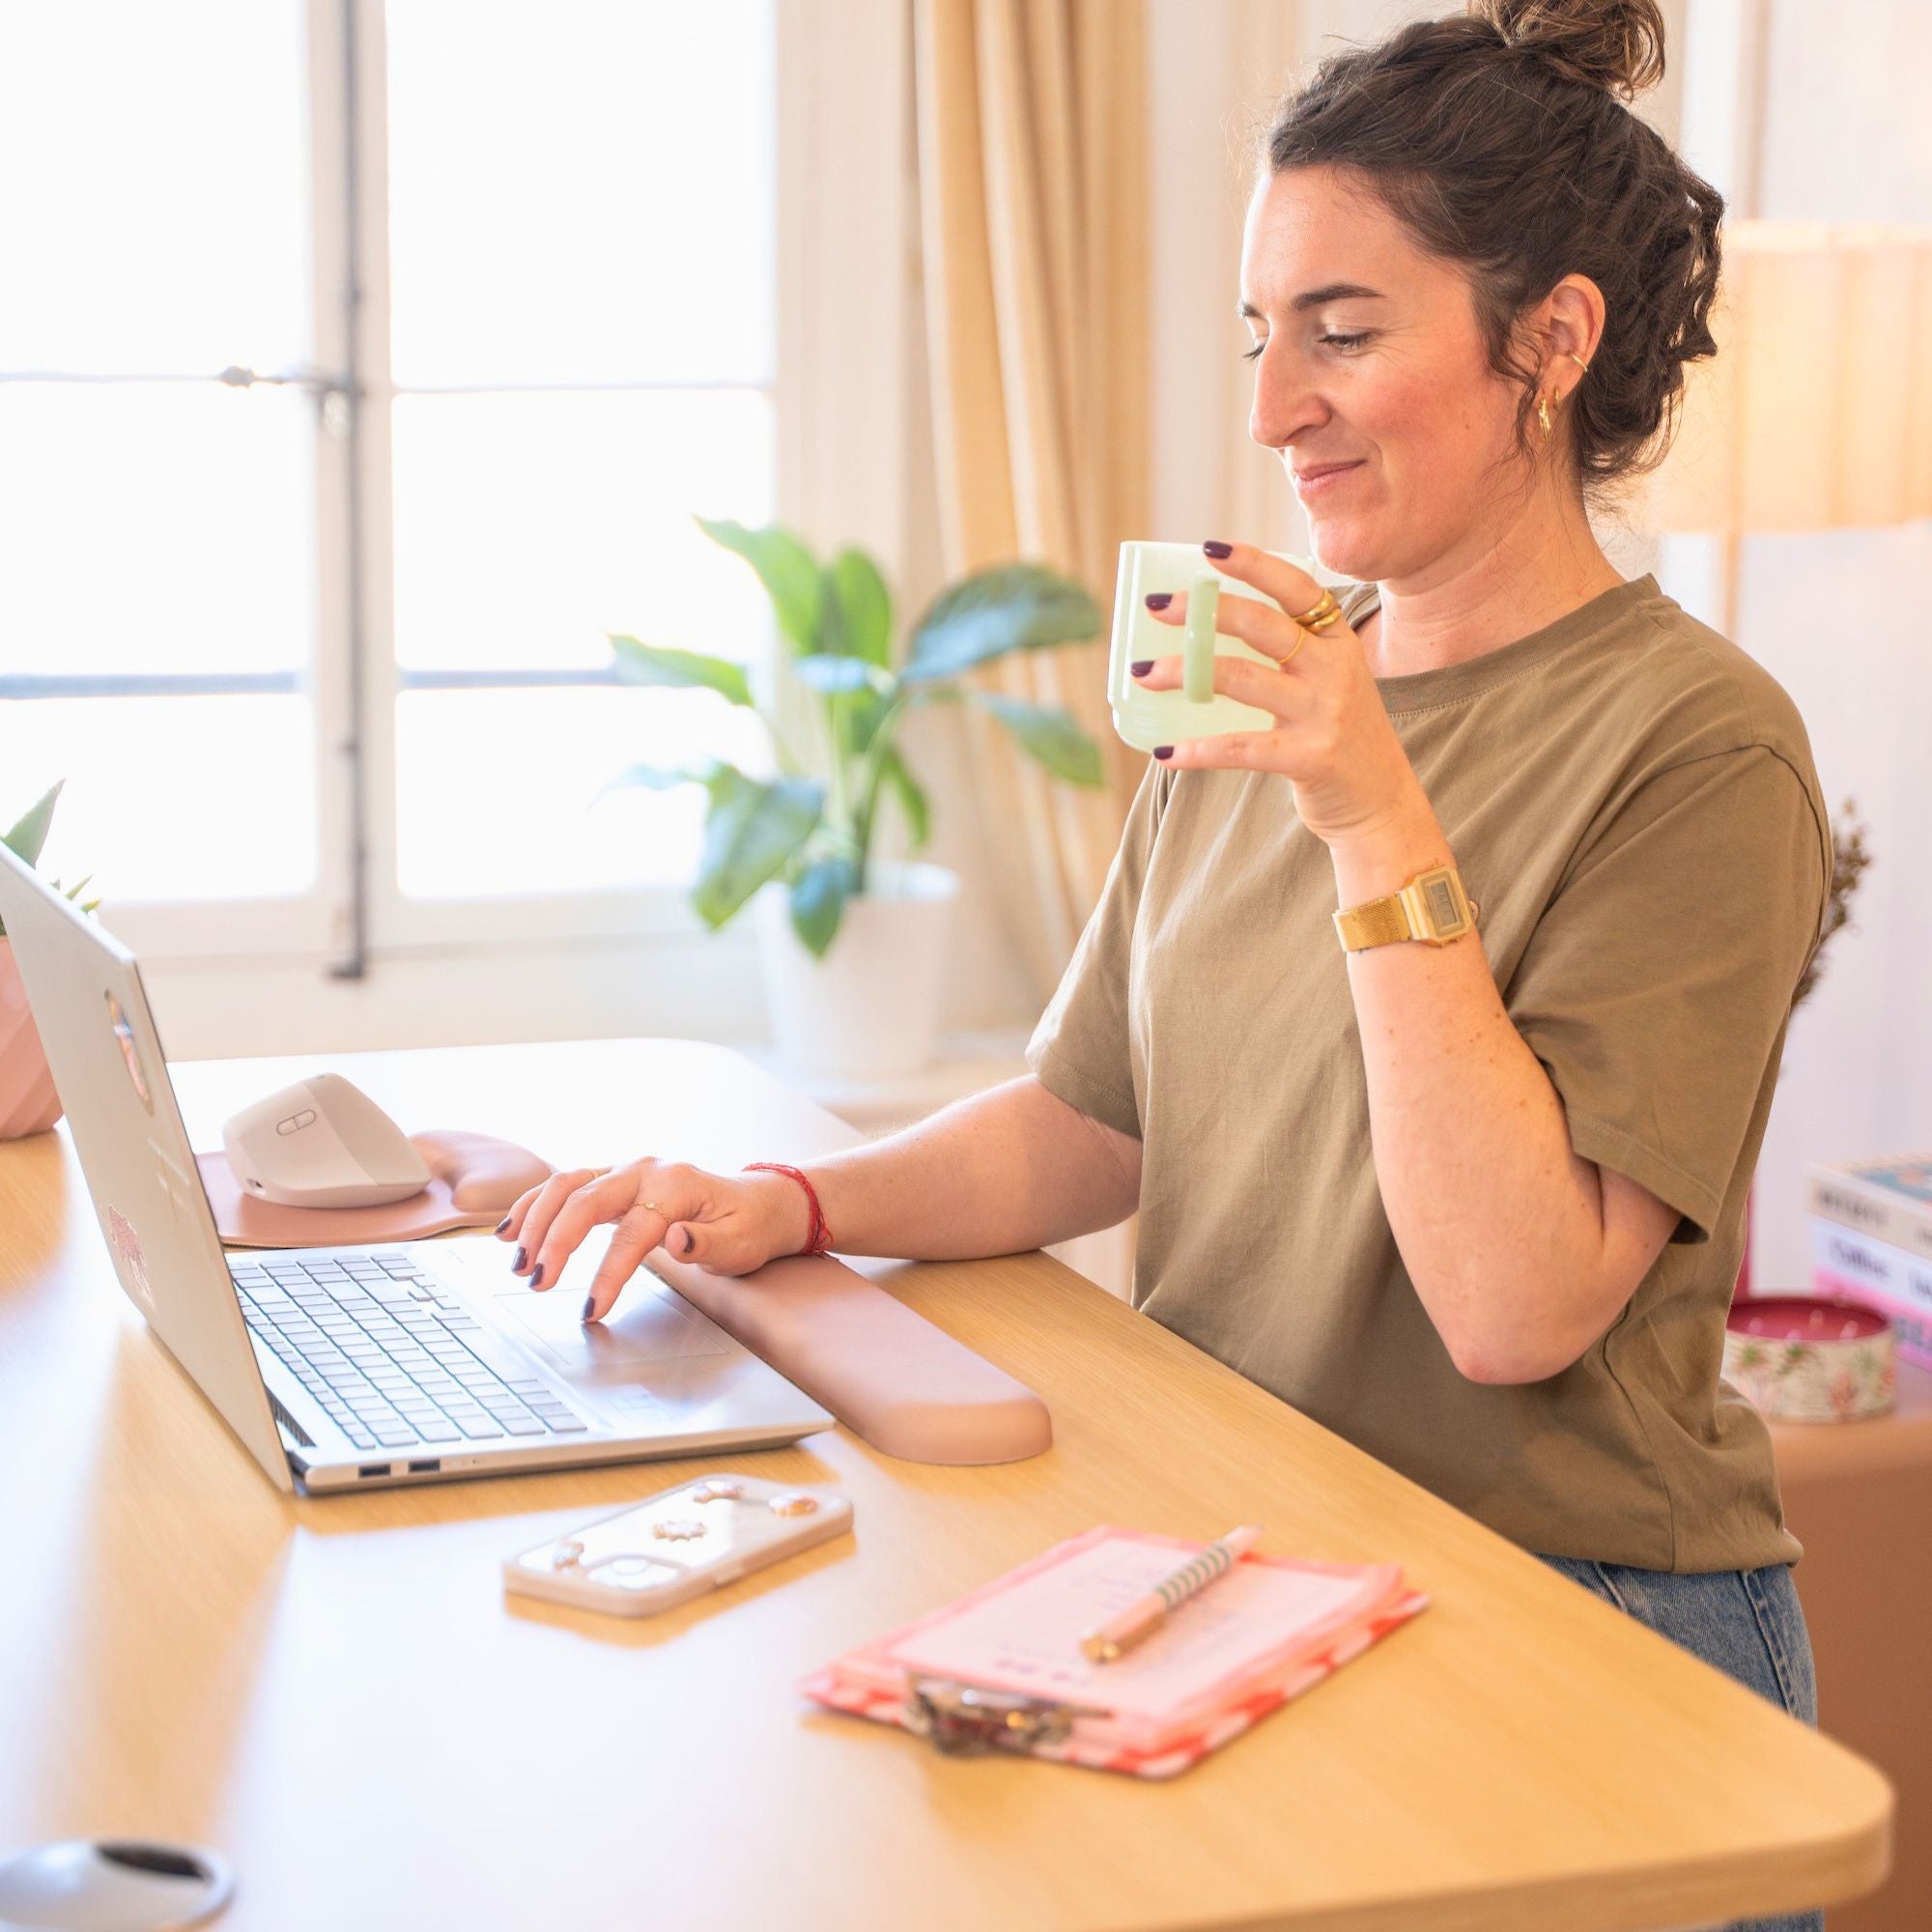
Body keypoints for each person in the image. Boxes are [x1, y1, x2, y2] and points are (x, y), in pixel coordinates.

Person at [503, 8, 1828, 1920]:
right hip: (1250, 1566)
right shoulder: (1269, 678)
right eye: (1259, 335)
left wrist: (1372, 815)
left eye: (1342, 333)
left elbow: (1513, 1306)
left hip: (1575, 1615)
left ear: (1550, 340)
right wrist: (797, 1200)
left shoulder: (1695, 744)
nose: (1275, 407)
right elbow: (1088, 1120)